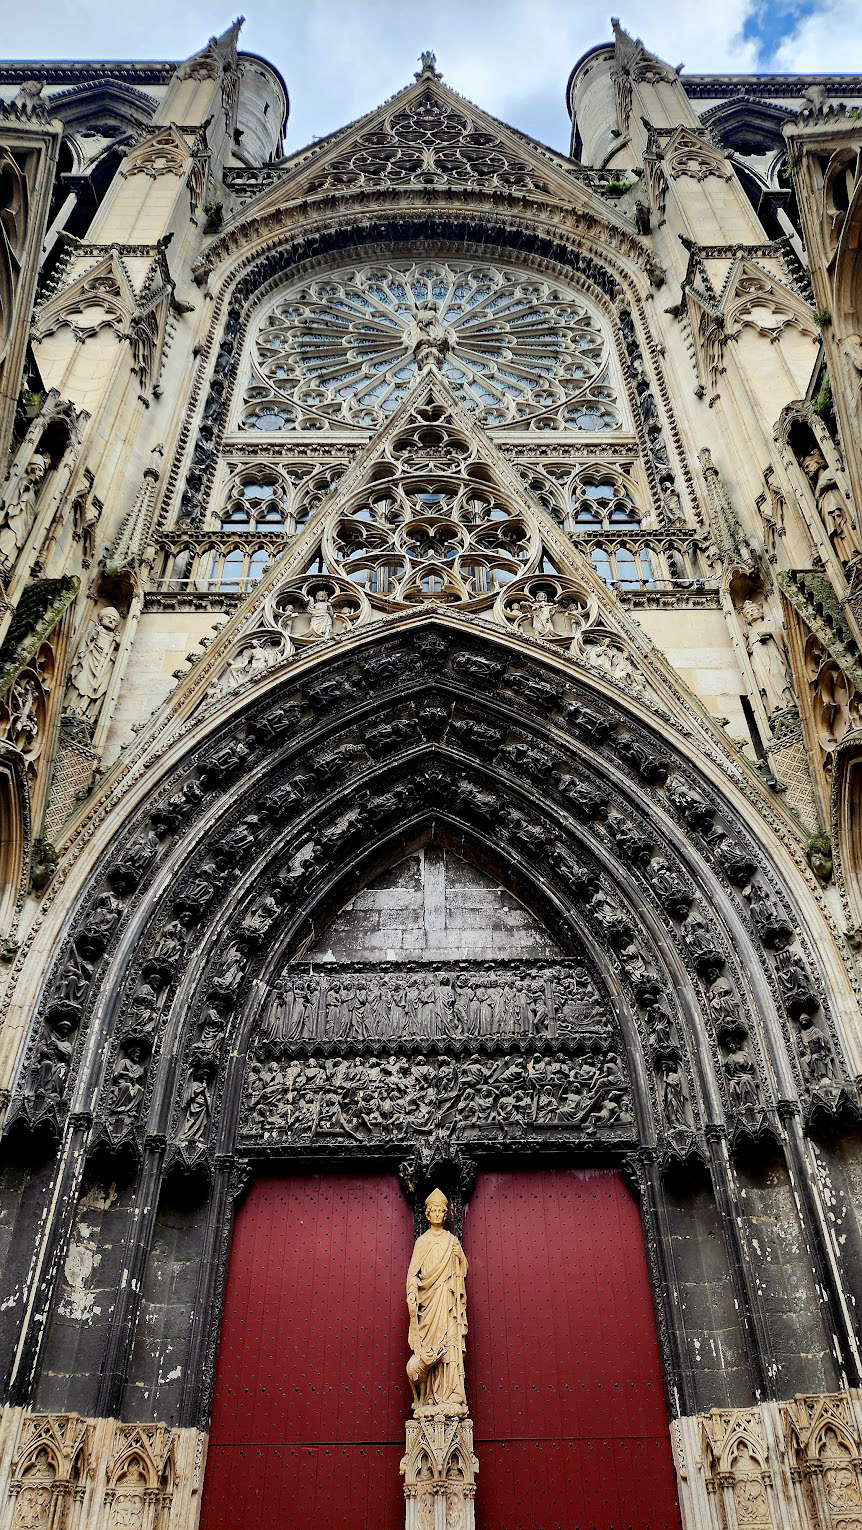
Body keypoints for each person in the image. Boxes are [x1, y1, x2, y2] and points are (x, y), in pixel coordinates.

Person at [406, 1188, 468, 1413]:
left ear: (445, 1214)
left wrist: (458, 1259)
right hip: (429, 1304)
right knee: (430, 1350)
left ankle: (452, 1393)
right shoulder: (422, 1242)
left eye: (442, 1211)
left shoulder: (451, 1241)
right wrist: (412, 1294)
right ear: (427, 1214)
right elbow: (413, 1274)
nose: (438, 1215)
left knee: (449, 1345)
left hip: (447, 1301)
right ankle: (430, 1396)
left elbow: (463, 1268)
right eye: (434, 1211)